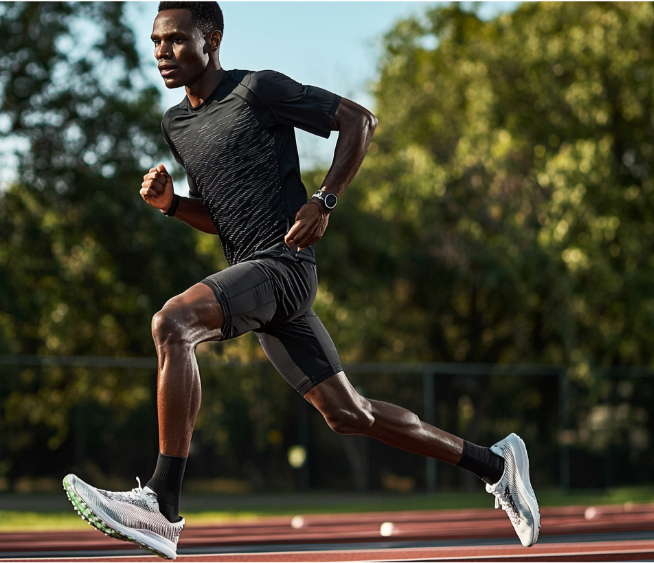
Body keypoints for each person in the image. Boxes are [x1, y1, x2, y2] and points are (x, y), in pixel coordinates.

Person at [64, 1, 540, 559]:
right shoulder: (177, 124)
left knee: (173, 322)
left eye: (175, 40)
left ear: (211, 40)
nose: (162, 53)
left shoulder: (257, 89)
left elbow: (359, 120)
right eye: (156, 41)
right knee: (349, 414)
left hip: (285, 267)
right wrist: (174, 206)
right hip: (256, 275)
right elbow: (226, 215)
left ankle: (162, 505)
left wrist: (324, 201)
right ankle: (495, 463)